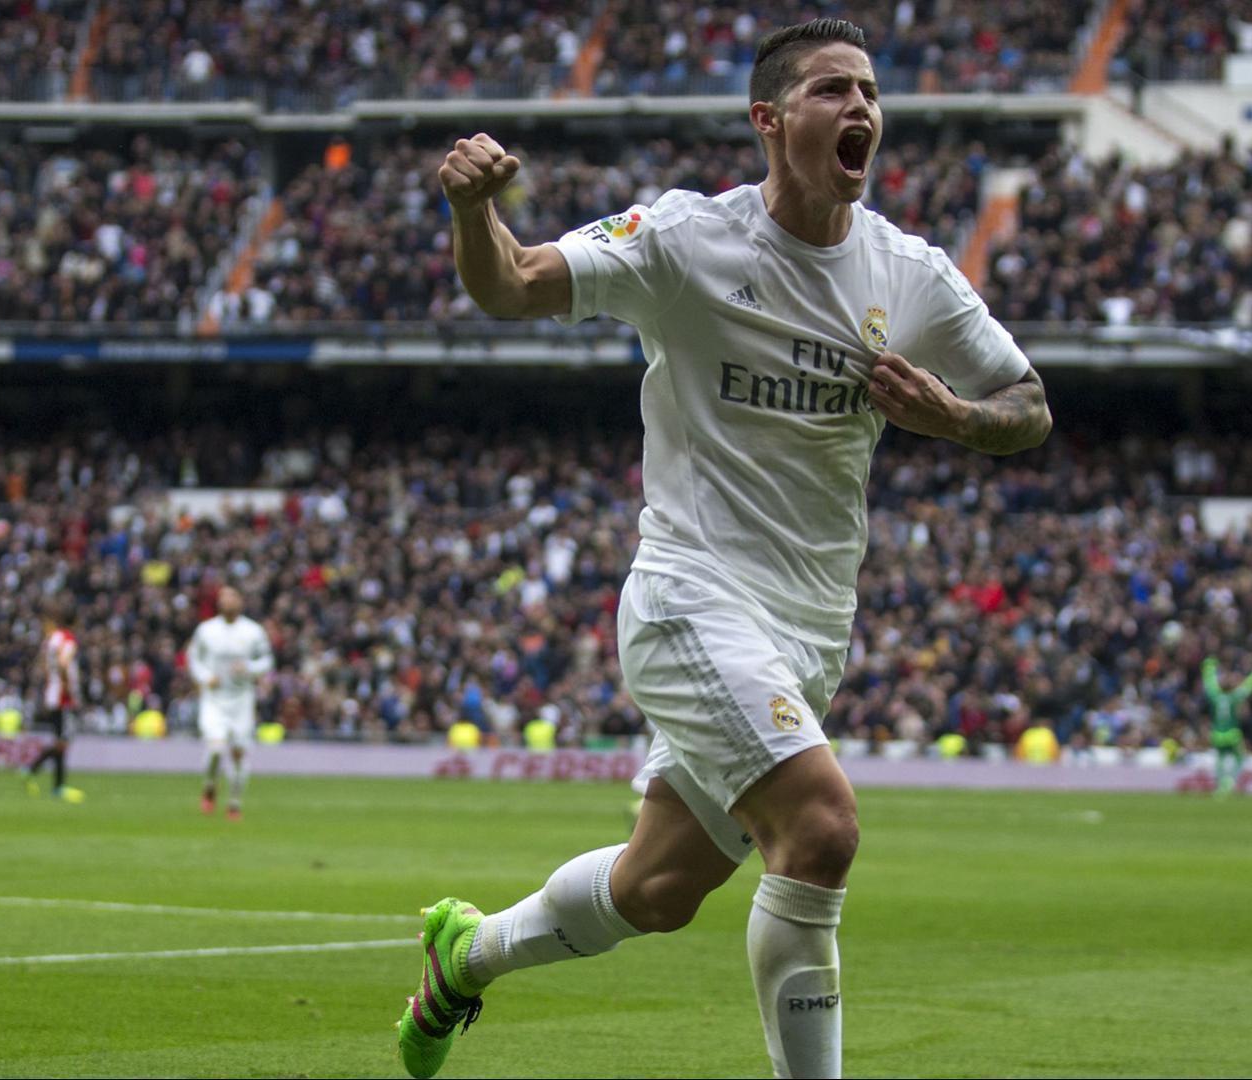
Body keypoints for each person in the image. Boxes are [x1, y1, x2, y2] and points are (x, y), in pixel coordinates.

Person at [396, 18, 1051, 1080]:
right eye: (834, 90)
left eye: (871, 92)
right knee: (823, 829)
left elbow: (1029, 403)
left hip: (806, 635)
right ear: (769, 120)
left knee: (656, 892)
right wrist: (474, 210)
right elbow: (509, 282)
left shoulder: (911, 274)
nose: (863, 111)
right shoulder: (687, 240)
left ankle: (466, 954)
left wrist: (960, 420)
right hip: (688, 599)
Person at [187, 585, 274, 819]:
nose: (227, 601)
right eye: (223, 597)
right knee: (216, 749)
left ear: (241, 601)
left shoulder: (253, 631)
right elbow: (194, 659)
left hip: (242, 699)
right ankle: (210, 785)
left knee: (238, 752)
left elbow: (267, 660)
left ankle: (234, 803)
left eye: (232, 596)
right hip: (214, 699)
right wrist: (205, 677)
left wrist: (249, 668)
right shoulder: (206, 630)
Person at [23, 599, 85, 803]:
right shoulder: (68, 639)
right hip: (62, 696)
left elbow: (43, 664)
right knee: (63, 742)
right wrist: (68, 687)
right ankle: (36, 770)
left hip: (51, 692)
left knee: (61, 740)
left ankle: (53, 783)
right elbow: (63, 663)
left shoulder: (51, 638)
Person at [1202, 652, 1252, 795]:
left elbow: (1209, 682)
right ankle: (1230, 780)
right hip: (1232, 733)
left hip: (1217, 733)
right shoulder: (1235, 697)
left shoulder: (1215, 696)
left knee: (1220, 759)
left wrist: (1209, 666)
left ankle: (1220, 784)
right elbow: (1250, 685)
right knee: (1239, 757)